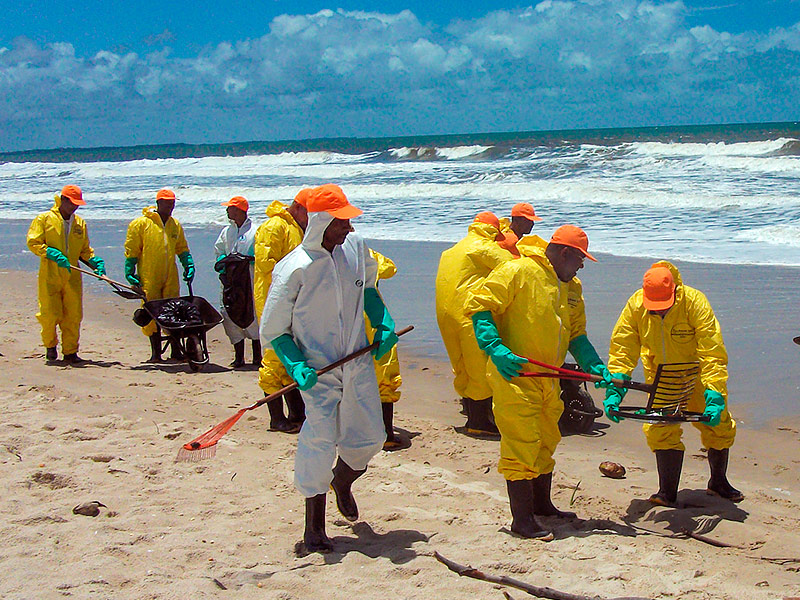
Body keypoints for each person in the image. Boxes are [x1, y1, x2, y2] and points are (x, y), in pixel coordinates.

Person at [260, 183, 398, 553]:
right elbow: (274, 328)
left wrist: (382, 321)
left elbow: (368, 288)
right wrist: (295, 365)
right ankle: (314, 528)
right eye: (341, 223)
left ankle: (343, 481)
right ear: (321, 222)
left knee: (370, 438)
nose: (349, 229)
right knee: (318, 443)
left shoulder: (355, 248)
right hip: (317, 371)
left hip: (357, 362)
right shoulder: (295, 269)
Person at [466, 225, 612, 540]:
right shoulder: (517, 271)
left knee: (547, 438)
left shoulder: (572, 287)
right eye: (580, 259)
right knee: (520, 443)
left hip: (550, 377)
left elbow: (576, 334)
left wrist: (594, 364)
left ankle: (542, 505)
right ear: (564, 253)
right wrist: (495, 348)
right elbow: (480, 306)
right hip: (516, 374)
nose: (582, 265)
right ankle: (521, 521)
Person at [605, 262, 743, 506]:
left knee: (719, 426)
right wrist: (616, 388)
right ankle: (667, 492)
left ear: (675, 291)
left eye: (663, 308)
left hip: (697, 376)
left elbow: (712, 350)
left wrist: (715, 392)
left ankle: (718, 482)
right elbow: (623, 348)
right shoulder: (636, 305)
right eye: (654, 308)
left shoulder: (694, 301)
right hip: (662, 379)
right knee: (661, 429)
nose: (658, 312)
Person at [435, 212, 513, 437]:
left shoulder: (451, 251)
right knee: (478, 366)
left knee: (461, 365)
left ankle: (471, 411)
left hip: (445, 314)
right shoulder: (482, 246)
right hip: (468, 313)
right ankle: (479, 422)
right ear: (493, 230)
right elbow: (513, 267)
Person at [26, 185, 106, 363]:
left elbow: (84, 250)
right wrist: (51, 253)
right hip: (50, 272)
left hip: (72, 274)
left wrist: (95, 262)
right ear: (63, 200)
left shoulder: (80, 224)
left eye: (77, 204)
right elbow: (33, 242)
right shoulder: (44, 219)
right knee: (49, 313)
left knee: (73, 314)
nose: (75, 207)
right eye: (72, 203)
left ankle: (70, 352)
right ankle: (50, 347)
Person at [255, 190, 309, 433]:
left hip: (292, 301)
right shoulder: (274, 226)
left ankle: (297, 413)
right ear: (297, 207)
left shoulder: (296, 227)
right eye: (309, 212)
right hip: (272, 301)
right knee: (274, 359)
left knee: (291, 356)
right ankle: (276, 418)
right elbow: (267, 265)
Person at [124, 189, 195, 362]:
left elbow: (181, 248)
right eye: (167, 203)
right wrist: (130, 271)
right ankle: (156, 353)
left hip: (170, 274)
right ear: (158, 203)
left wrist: (188, 264)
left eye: (172, 203)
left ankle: (176, 351)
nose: (170, 206)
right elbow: (132, 249)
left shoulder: (175, 225)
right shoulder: (141, 224)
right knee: (151, 311)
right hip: (149, 275)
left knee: (174, 310)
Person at [213, 196, 259, 368]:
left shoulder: (255, 231)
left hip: (250, 279)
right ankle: (239, 357)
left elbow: (261, 251)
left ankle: (257, 356)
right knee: (229, 312)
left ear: (240, 210)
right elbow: (219, 250)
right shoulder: (227, 231)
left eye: (230, 208)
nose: (227, 211)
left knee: (253, 312)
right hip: (231, 280)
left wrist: (251, 260)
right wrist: (224, 262)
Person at [368, 249, 403, 450]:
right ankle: (386, 433)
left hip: (343, 317)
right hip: (374, 317)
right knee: (384, 375)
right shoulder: (364, 253)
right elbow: (389, 268)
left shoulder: (325, 255)